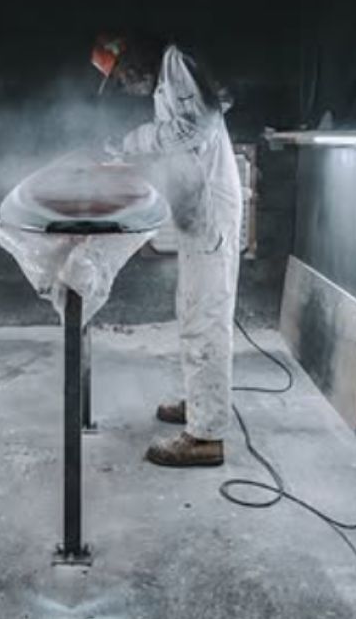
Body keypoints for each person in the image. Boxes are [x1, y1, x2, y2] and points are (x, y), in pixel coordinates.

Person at [92, 34, 243, 467]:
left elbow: (196, 126)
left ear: (130, 54)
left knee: (205, 318)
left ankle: (205, 436)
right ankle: (200, 404)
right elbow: (183, 139)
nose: (124, 83)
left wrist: (131, 143)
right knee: (193, 310)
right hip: (200, 208)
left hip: (210, 209)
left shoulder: (175, 60)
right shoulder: (167, 80)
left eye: (120, 73)